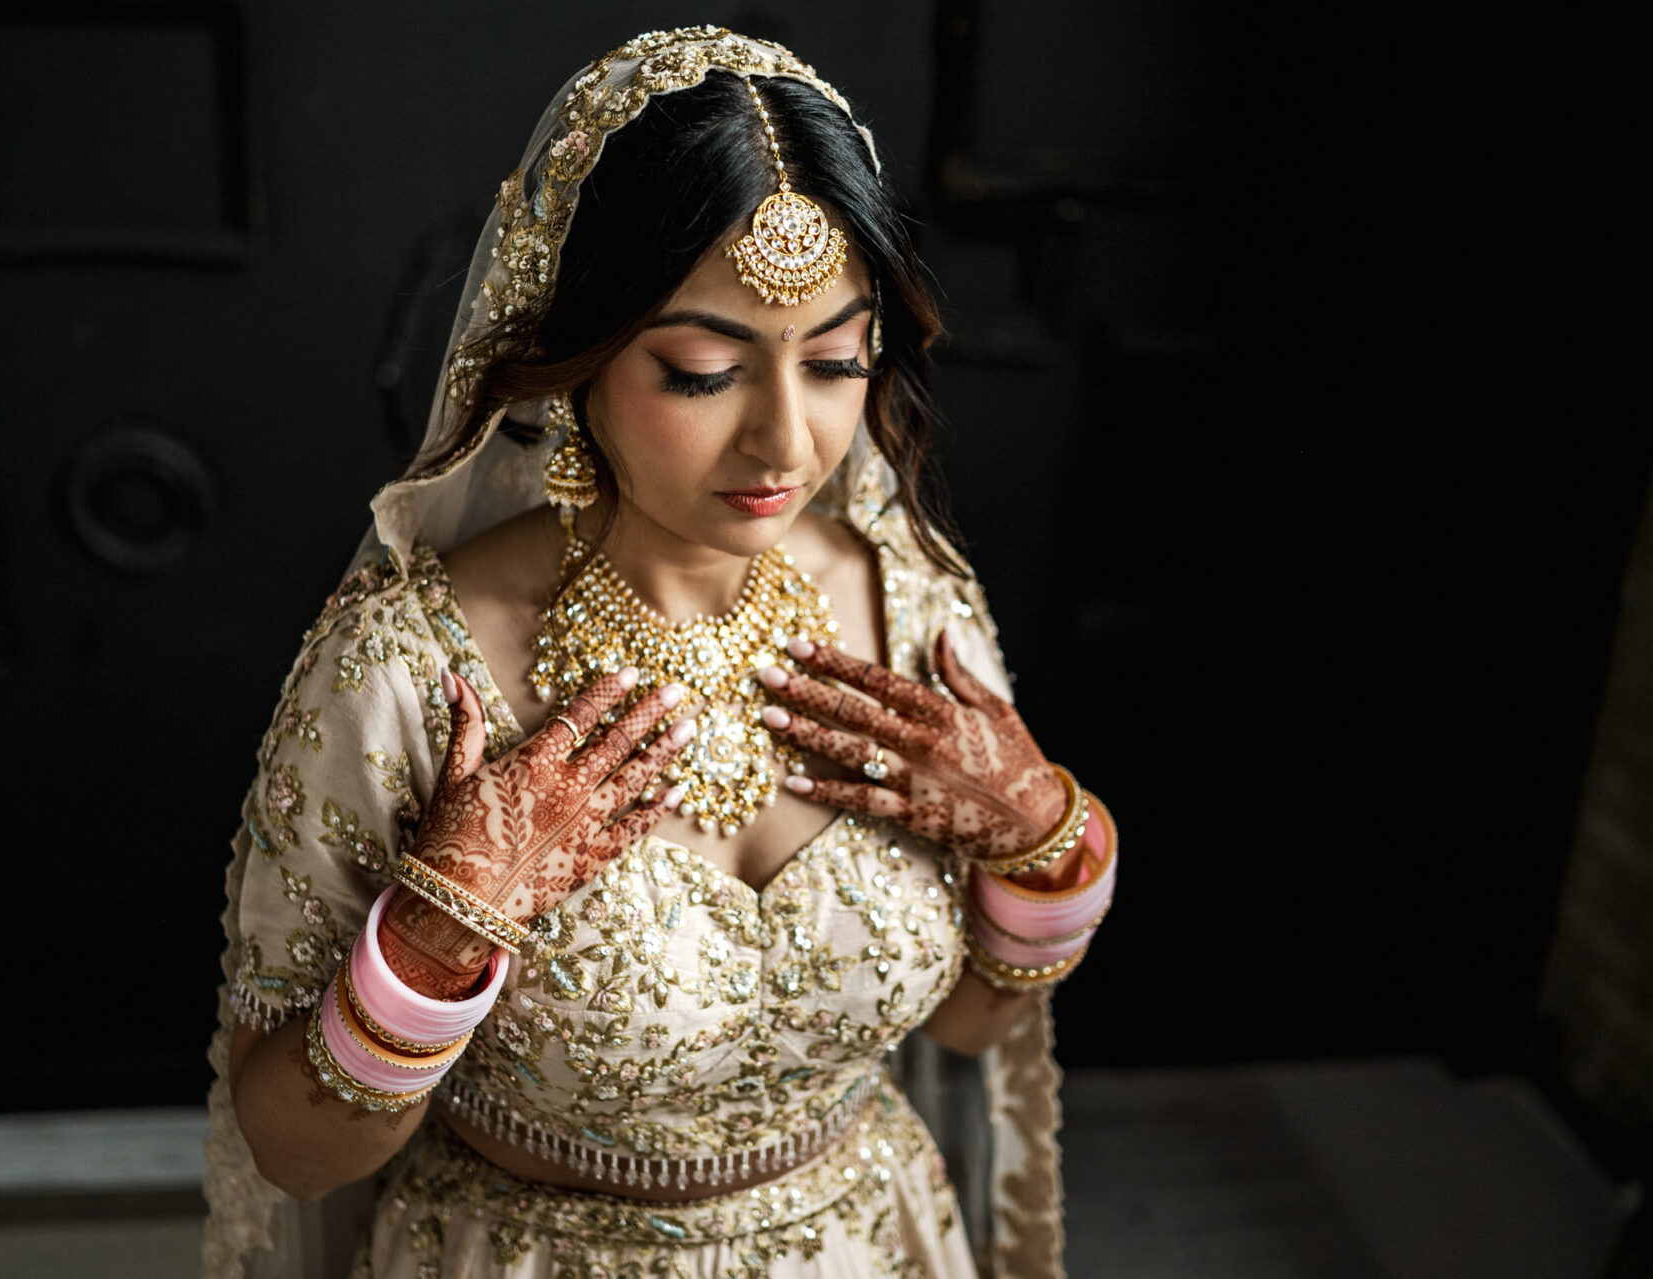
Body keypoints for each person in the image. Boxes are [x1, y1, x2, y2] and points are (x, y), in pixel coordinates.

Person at [202, 27, 1118, 1279]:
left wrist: (1048, 847)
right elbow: (297, 1156)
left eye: (840, 361)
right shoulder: (410, 668)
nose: (787, 442)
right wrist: (429, 946)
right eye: (703, 372)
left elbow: (968, 1022)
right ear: (575, 362)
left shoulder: (911, 608)